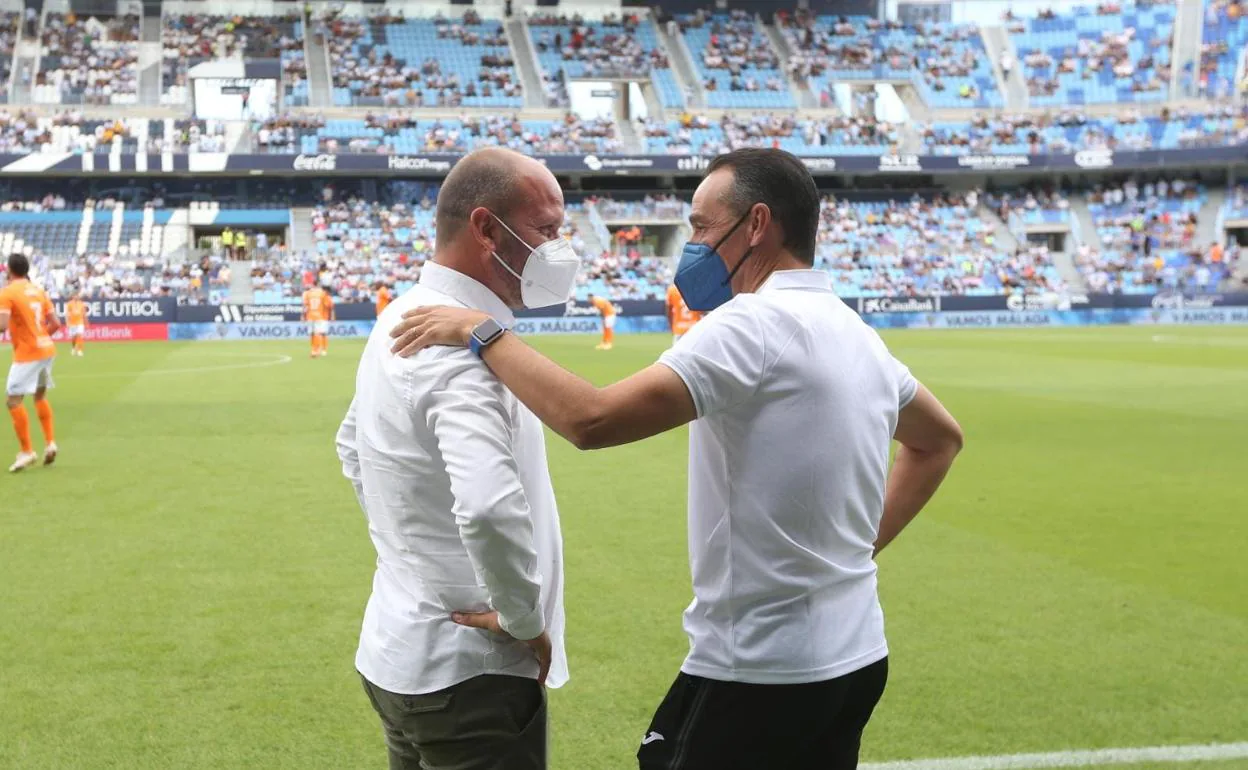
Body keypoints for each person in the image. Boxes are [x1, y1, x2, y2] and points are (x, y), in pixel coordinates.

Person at [390, 148, 964, 770]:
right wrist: (854, 552)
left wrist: (483, 331)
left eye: (702, 226)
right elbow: (939, 441)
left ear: (756, 224)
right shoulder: (858, 334)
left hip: (758, 667)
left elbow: (593, 420)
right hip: (857, 655)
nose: (692, 246)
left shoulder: (752, 325)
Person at [335, 147, 576, 770]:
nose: (560, 249)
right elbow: (489, 505)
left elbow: (351, 446)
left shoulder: (400, 314)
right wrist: (522, 617)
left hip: (398, 648)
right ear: (487, 230)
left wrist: (411, 550)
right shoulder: (460, 350)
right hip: (471, 676)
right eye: (547, 229)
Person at [1, 254, 61, 472]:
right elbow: (56, 323)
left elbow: (2, 325)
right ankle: (50, 443)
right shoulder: (38, 290)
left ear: (9, 270)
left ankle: (27, 451)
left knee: (13, 400)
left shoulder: (8, 293)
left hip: (28, 354)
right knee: (40, 396)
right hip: (46, 349)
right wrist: (41, 337)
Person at [302, 283, 334, 358]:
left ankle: (316, 350)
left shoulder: (308, 294)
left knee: (314, 333)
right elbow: (329, 305)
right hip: (319, 316)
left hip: (311, 316)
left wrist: (303, 316)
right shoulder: (323, 294)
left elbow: (305, 306)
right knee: (317, 333)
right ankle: (317, 350)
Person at [65, 292, 89, 357]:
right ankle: (73, 348)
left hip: (80, 322)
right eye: (75, 295)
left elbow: (84, 314)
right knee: (74, 337)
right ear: (72, 296)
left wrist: (86, 322)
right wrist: (67, 322)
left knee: (79, 335)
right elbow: (67, 314)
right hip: (72, 322)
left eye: (77, 295)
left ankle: (79, 350)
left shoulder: (81, 303)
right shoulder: (69, 304)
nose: (76, 297)